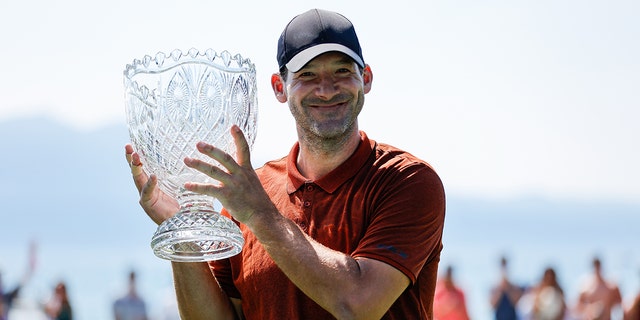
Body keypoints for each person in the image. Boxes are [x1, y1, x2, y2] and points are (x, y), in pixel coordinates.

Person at [125, 8, 446, 320]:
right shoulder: (251, 192)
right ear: (280, 88)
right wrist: (183, 234)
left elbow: (358, 304)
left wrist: (259, 214)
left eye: (342, 71)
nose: (326, 88)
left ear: (366, 78)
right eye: (308, 75)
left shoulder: (408, 182)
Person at [490, 256, 524, 320]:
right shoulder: (495, 287)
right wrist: (500, 290)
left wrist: (508, 289)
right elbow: (492, 305)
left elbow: (516, 303)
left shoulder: (513, 286)